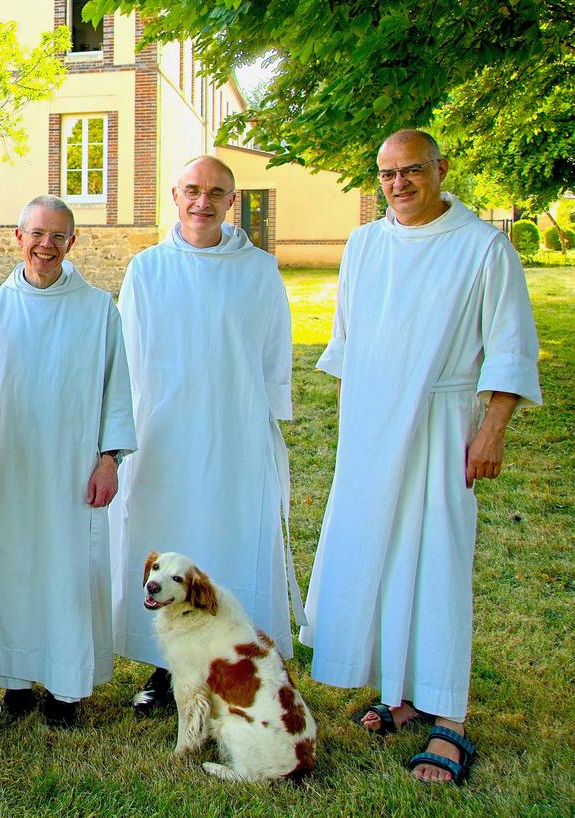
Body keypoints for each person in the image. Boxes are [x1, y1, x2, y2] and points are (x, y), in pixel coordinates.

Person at [299, 129, 542, 784]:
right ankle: (401, 696)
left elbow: (511, 347)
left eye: (411, 171)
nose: (399, 184)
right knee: (377, 555)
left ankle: (451, 720)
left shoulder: (484, 248)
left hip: (441, 422)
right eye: (386, 174)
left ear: (440, 168)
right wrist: (355, 436)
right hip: (372, 426)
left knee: (436, 560)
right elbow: (347, 344)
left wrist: (491, 429)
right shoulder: (365, 245)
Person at [110, 155, 304, 715]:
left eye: (215, 193)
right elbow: (128, 354)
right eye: (192, 190)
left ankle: (235, 663)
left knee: (229, 536)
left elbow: (273, 355)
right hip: (165, 431)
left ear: (230, 201)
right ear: (175, 195)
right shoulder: (147, 269)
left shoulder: (259, 270)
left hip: (234, 428)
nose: (202, 202)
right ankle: (165, 667)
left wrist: (263, 423)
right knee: (168, 537)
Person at [0, 195, 137, 726]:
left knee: (68, 569)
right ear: (17, 238)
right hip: (8, 464)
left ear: (72, 242)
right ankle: (16, 681)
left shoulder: (97, 310)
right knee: (10, 567)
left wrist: (109, 459)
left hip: (72, 465)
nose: (46, 245)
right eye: (36, 234)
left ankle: (67, 687)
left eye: (57, 236)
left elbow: (117, 391)